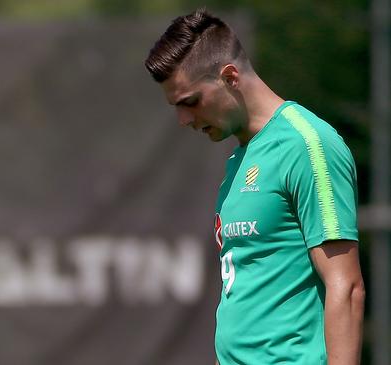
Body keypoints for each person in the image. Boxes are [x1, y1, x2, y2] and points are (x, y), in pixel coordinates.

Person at [144, 9, 365, 365]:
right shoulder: (239, 161)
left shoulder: (306, 144)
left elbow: (347, 288)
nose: (183, 120)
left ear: (230, 76)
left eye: (190, 102)